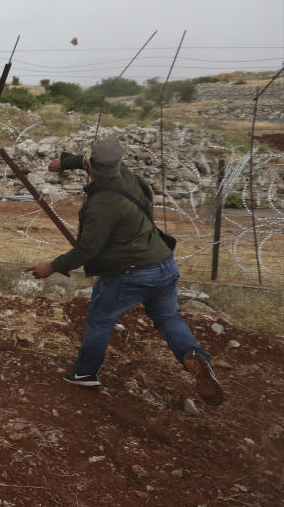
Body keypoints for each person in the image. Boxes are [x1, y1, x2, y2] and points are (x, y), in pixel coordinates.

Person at [26, 138, 224, 406]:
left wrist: (52, 267)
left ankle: (85, 373)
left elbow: (87, 250)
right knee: (167, 318)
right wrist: (66, 162)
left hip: (130, 273)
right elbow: (94, 163)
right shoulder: (128, 177)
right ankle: (194, 355)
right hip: (163, 263)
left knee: (99, 319)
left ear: (92, 167)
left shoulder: (101, 206)